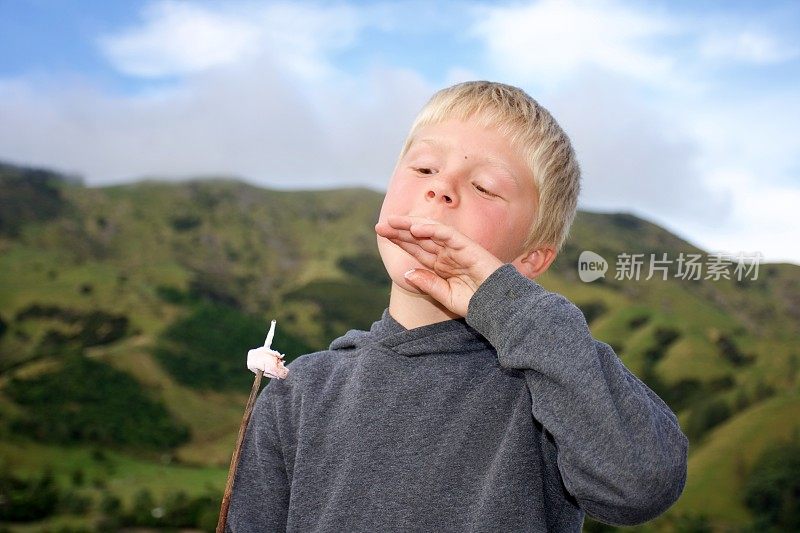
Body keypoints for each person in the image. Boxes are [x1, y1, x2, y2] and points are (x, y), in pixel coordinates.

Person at [227, 80, 688, 532]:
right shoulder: (299, 393)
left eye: (485, 187)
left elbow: (642, 485)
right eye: (424, 168)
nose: (441, 188)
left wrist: (511, 305)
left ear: (529, 259)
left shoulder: (552, 388)